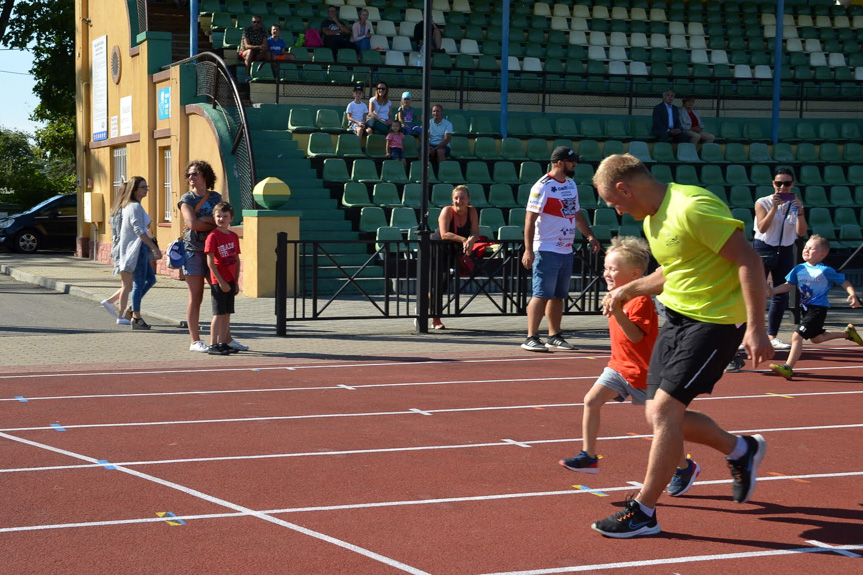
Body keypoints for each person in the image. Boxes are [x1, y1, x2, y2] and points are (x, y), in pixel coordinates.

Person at [589, 153, 773, 538]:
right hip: (675, 318)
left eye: (615, 202)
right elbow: (672, 271)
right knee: (656, 414)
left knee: (667, 411)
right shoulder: (654, 220)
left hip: (716, 322)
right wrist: (628, 289)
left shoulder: (692, 207)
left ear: (625, 188)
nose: (617, 211)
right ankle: (741, 450)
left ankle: (643, 510)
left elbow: (749, 261)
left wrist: (757, 328)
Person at [559, 236, 698, 493]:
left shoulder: (641, 300)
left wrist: (618, 311)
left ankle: (684, 467)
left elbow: (635, 336)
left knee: (661, 427)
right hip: (619, 367)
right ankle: (589, 455)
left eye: (614, 269)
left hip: (646, 374)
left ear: (635, 274)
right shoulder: (615, 295)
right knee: (591, 400)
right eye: (606, 268)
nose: (607, 273)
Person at [521, 146, 601, 352]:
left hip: (566, 248)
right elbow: (530, 219)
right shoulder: (543, 186)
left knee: (558, 295)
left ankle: (554, 335)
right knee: (541, 294)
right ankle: (531, 336)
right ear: (559, 163)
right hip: (546, 248)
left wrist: (589, 235)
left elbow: (576, 213)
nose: (575, 164)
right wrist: (528, 250)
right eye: (571, 161)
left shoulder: (571, 184)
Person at [768, 235, 863, 380]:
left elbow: (844, 281)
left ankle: (788, 367)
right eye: (805, 247)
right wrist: (772, 291)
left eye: (811, 248)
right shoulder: (799, 268)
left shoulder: (825, 270)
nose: (806, 250)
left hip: (818, 309)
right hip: (805, 309)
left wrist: (852, 295)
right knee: (817, 339)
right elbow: (788, 286)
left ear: (822, 254)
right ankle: (848, 334)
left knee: (797, 335)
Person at [178, 160, 248, 353]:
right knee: (196, 297)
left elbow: (220, 221)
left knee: (222, 293)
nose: (191, 178)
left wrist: (206, 221)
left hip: (216, 252)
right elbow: (192, 224)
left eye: (195, 174)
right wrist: (211, 224)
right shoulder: (187, 199)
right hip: (194, 251)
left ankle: (227, 339)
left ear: (205, 177)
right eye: (189, 175)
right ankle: (195, 340)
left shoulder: (215, 196)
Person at [754, 167, 807, 350]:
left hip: (785, 249)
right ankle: (752, 333)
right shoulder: (763, 202)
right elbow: (762, 228)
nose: (782, 187)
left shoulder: (795, 204)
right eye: (779, 183)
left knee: (780, 294)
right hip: (764, 248)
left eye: (786, 183)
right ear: (773, 184)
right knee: (755, 293)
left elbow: (801, 232)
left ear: (793, 184)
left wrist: (800, 212)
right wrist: (775, 208)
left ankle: (772, 335)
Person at [429, 185, 479, 330]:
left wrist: (471, 240)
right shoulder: (447, 211)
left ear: (468, 199)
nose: (459, 201)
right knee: (437, 285)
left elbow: (475, 232)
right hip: (437, 248)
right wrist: (464, 240)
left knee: (443, 285)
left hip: (453, 250)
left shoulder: (472, 211)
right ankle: (436, 319)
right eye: (456, 198)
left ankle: (421, 309)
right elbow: (445, 234)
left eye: (462, 198)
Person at [117, 177, 161, 330]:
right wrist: (154, 248)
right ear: (134, 190)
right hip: (137, 249)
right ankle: (136, 317)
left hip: (139, 248)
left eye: (146, 186)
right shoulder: (134, 206)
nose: (146, 189)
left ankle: (131, 309)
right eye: (143, 187)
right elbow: (139, 230)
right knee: (139, 283)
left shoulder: (134, 206)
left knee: (150, 279)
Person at [205, 202, 242, 356]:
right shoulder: (213, 236)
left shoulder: (233, 236)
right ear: (214, 218)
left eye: (225, 216)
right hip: (218, 282)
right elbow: (210, 261)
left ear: (231, 219)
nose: (221, 219)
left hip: (230, 281)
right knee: (218, 313)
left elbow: (237, 259)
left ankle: (223, 342)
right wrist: (221, 281)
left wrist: (235, 281)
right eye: (218, 216)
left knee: (227, 313)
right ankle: (213, 344)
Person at [101, 184, 134, 325]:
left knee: (127, 284)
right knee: (128, 285)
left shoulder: (115, 209)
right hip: (125, 248)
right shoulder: (125, 209)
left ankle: (110, 302)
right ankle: (121, 315)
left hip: (117, 247)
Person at [238, 15, 269, 81]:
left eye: (258, 22)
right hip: (244, 53)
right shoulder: (246, 31)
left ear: (261, 23)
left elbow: (265, 45)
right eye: (254, 22)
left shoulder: (264, 32)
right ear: (252, 23)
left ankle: (269, 75)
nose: (256, 24)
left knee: (268, 53)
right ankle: (247, 75)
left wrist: (263, 47)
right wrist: (259, 47)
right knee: (250, 51)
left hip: (257, 53)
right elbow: (247, 46)